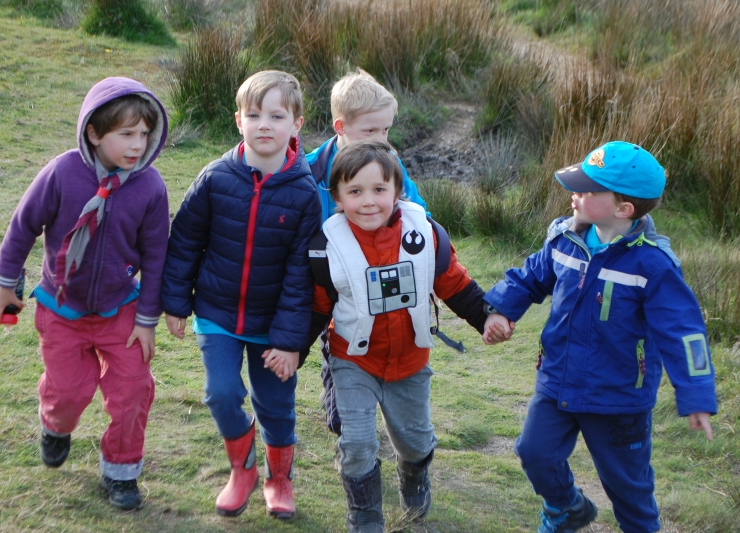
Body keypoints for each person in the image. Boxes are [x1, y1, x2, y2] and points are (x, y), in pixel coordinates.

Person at [481, 141, 717, 533]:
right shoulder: (566, 237)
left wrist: (696, 395)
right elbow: (532, 275)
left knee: (629, 488)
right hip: (557, 381)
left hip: (619, 396)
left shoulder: (652, 265)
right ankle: (565, 508)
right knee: (534, 453)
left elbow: (684, 333)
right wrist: (501, 310)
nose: (575, 193)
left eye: (588, 190)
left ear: (623, 210)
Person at [0, 77, 170, 511]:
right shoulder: (63, 173)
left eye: (144, 134)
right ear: (94, 132)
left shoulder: (150, 187)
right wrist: (4, 280)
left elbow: (157, 257)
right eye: (126, 134)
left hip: (120, 310)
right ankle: (56, 424)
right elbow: (23, 227)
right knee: (70, 392)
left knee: (132, 391)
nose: (137, 145)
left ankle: (121, 473)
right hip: (62, 309)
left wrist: (147, 320)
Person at [303, 140, 489, 532]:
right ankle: (365, 514)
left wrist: (487, 318)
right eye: (355, 192)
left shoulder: (426, 236)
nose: (368, 201)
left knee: (416, 443)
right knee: (356, 444)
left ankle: (414, 474)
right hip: (352, 360)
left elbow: (454, 285)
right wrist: (291, 350)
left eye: (379, 190)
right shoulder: (326, 248)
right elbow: (318, 308)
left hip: (409, 360)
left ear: (398, 192)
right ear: (336, 197)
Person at [160, 70, 321, 520]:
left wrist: (290, 342)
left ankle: (279, 478)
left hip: (273, 325)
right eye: (254, 114)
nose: (264, 124)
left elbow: (300, 274)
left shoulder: (305, 194)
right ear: (238, 120)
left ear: (296, 125)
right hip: (216, 312)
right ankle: (243, 468)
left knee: (275, 405)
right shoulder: (215, 177)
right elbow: (185, 241)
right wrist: (174, 303)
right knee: (221, 393)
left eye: (276, 115)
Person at [306, 68, 427, 436]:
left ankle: (384, 407)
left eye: (386, 130)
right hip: (332, 284)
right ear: (340, 126)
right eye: (371, 131)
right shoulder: (310, 171)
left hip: (382, 277)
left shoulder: (390, 164)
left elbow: (419, 215)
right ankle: (345, 408)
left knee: (383, 343)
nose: (382, 140)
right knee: (339, 353)